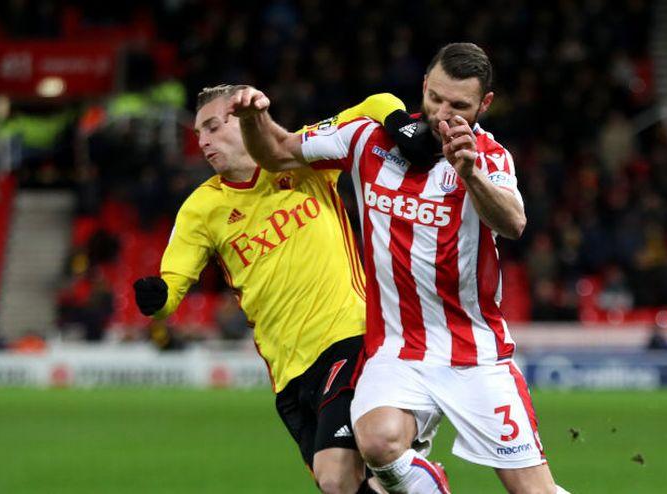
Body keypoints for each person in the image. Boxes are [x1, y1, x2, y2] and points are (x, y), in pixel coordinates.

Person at [229, 42, 570, 494]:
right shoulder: (367, 138)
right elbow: (276, 151)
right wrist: (254, 119)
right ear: (424, 85)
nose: (443, 114)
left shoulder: (488, 156)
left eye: (459, 106)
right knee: (377, 442)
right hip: (396, 351)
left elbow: (513, 223)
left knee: (533, 491)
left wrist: (470, 175)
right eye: (436, 98)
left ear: (484, 104)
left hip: (475, 355)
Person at [133, 85, 408, 493]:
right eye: (199, 133)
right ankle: (419, 482)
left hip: (350, 337)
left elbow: (374, 104)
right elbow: (172, 285)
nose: (203, 141)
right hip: (287, 375)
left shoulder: (303, 155)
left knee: (336, 476)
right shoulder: (201, 209)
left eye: (213, 126)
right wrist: (157, 297)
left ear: (243, 119)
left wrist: (400, 123)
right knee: (352, 484)